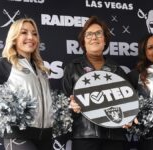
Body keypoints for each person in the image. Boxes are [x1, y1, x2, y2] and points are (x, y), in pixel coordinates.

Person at [0, 18, 54, 150]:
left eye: (34, 33)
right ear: (14, 38)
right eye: (24, 32)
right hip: (19, 137)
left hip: (46, 137)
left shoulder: (41, 68)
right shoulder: (5, 64)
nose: (30, 37)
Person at [62, 16, 129, 150]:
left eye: (98, 33)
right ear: (83, 41)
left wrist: (128, 117)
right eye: (89, 34)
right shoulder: (72, 68)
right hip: (84, 136)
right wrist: (71, 106)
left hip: (114, 137)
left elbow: (127, 104)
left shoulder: (117, 70)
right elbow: (62, 105)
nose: (94, 37)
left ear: (105, 40)